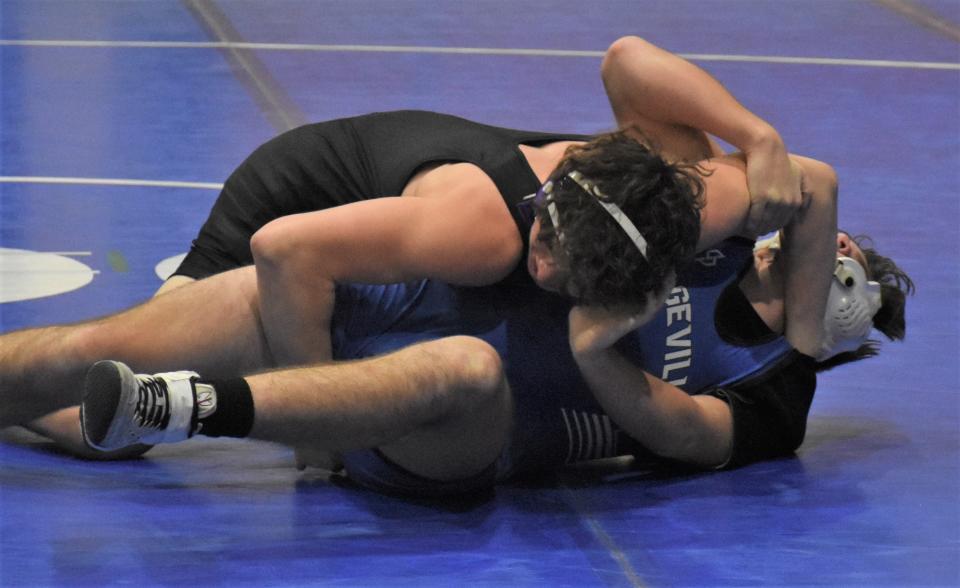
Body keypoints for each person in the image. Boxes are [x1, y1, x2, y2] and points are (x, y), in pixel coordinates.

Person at [16, 36, 802, 450]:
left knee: (108, 403)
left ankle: (25, 408)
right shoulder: (485, 235)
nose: (543, 273)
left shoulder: (676, 210)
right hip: (300, 194)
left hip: (376, 215)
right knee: (114, 416)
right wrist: (309, 422)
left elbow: (812, 179)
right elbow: (287, 248)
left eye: (566, 275)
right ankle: (26, 405)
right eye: (546, 255)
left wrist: (754, 140)